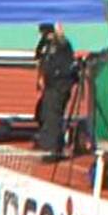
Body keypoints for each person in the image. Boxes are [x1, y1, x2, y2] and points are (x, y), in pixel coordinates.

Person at [35, 23, 77, 159]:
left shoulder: (62, 44)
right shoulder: (46, 43)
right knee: (43, 112)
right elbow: (39, 56)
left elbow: (63, 45)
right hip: (50, 84)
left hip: (60, 85)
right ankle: (50, 143)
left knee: (52, 116)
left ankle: (51, 150)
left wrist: (59, 34)